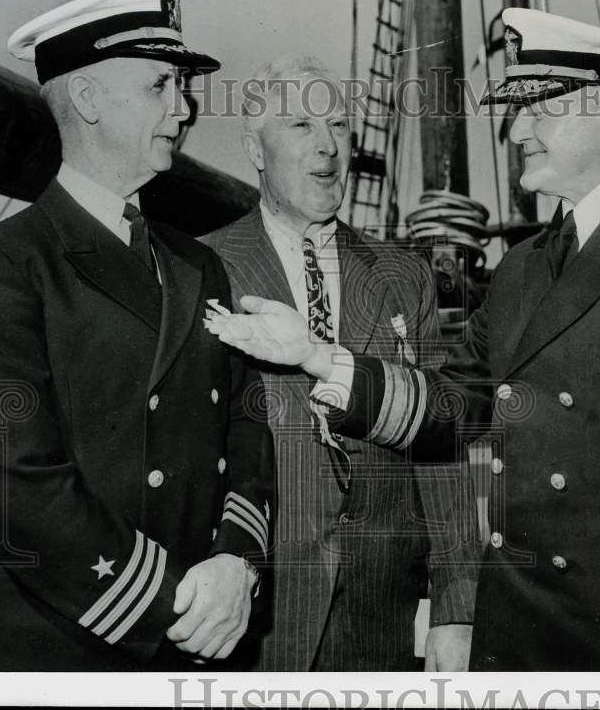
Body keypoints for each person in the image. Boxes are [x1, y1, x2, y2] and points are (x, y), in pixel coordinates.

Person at [205, 10, 600, 671]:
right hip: (524, 641)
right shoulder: (525, 268)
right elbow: (448, 409)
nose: (516, 128)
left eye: (538, 110)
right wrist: (316, 356)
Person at [0, 0, 274, 671]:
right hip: (65, 645)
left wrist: (237, 564)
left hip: (202, 636)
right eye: (161, 85)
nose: (184, 110)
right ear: (87, 97)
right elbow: (13, 485)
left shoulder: (199, 266)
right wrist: (176, 600)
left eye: (181, 89)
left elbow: (247, 426)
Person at [199, 54, 479, 671]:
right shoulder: (202, 270)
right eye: (301, 126)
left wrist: (455, 609)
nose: (328, 147)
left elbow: (442, 444)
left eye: (340, 125)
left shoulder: (404, 275)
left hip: (380, 620)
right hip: (252, 623)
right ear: (255, 147)